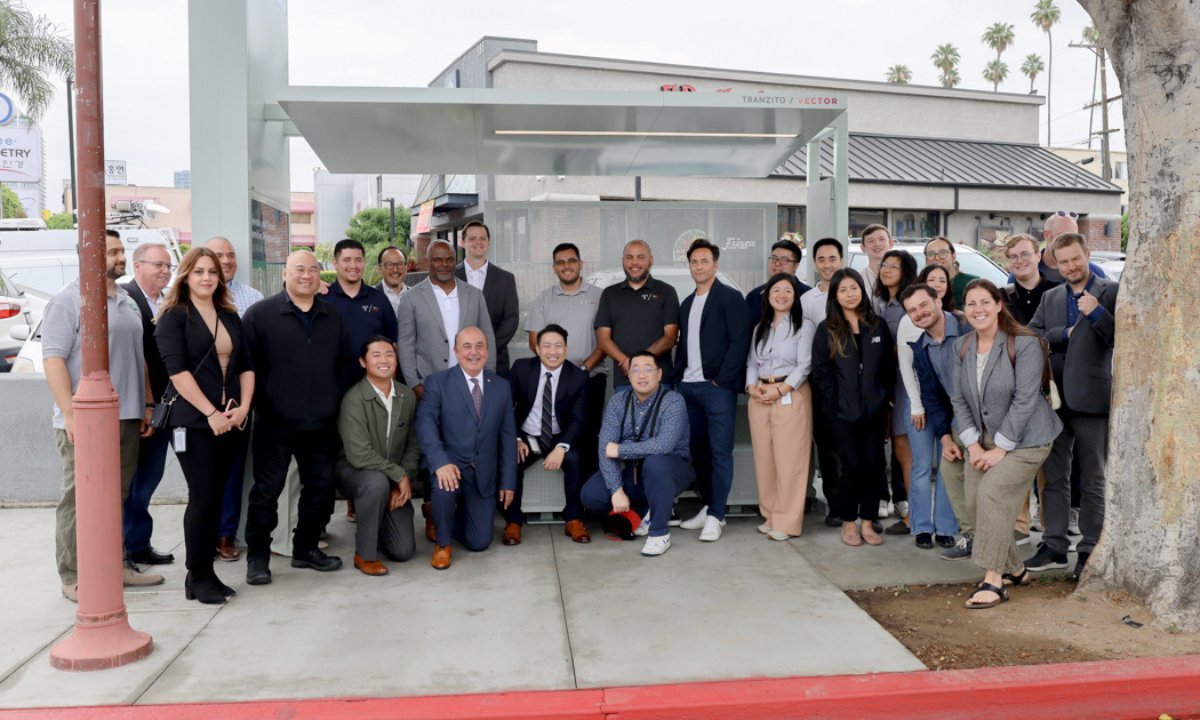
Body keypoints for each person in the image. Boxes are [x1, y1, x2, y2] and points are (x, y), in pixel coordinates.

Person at [42, 229, 163, 602]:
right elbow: (53, 359)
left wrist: (146, 404)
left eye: (121, 251)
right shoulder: (67, 301)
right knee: (78, 498)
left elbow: (139, 357)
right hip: (85, 419)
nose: (120, 258)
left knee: (118, 496)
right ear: (86, 257)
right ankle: (73, 575)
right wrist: (70, 414)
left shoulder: (127, 301)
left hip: (127, 415)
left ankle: (116, 566)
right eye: (111, 252)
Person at [241, 250, 354, 585]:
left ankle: (306, 549)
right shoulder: (260, 315)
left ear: (320, 275)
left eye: (312, 270)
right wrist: (263, 402)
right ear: (285, 274)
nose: (306, 275)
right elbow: (247, 365)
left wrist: (331, 399)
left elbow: (345, 364)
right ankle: (258, 557)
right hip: (274, 422)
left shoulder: (332, 316)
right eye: (299, 269)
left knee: (319, 488)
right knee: (267, 492)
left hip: (320, 423)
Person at [952, 279, 1062, 608]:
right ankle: (1016, 569)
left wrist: (1001, 448)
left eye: (985, 302)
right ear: (964, 310)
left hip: (1028, 439)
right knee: (975, 502)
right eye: (971, 303)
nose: (978, 309)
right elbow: (958, 399)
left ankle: (994, 579)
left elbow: (1025, 400)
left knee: (992, 494)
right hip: (983, 440)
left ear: (999, 305)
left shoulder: (1025, 344)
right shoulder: (962, 347)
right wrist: (974, 446)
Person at [154, 247, 254, 604]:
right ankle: (198, 574)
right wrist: (211, 413)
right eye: (198, 271)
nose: (207, 277)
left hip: (231, 419)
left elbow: (246, 366)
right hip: (194, 422)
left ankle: (203, 576)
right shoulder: (173, 318)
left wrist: (243, 408)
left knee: (216, 498)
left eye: (212, 271)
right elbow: (178, 373)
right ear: (185, 276)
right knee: (204, 496)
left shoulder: (229, 314)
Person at [1027, 232, 1118, 581]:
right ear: (1056, 263)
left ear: (1088, 254)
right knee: (1053, 476)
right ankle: (1054, 544)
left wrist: (1097, 314)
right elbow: (1033, 335)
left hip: (1093, 399)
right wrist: (1061, 335)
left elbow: (1123, 338)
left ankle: (1090, 549)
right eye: (1063, 261)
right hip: (1054, 400)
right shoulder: (1050, 296)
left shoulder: (1110, 292)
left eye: (1076, 259)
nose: (1070, 266)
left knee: (1093, 478)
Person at [415, 327, 517, 570]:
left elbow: (507, 436)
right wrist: (440, 462)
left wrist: (508, 481)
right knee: (444, 489)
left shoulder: (501, 386)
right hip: (450, 465)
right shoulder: (438, 382)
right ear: (456, 351)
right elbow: (425, 424)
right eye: (467, 346)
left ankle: (442, 517)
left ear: (487, 351)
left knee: (479, 542)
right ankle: (443, 544)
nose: (474, 352)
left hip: (483, 472)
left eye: (479, 346)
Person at [670, 238, 749, 542]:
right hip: (688, 389)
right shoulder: (687, 303)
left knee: (719, 452)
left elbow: (739, 341)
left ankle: (717, 515)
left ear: (715, 265)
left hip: (716, 389)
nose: (699, 266)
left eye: (705, 261)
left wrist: (721, 380)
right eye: (694, 262)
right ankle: (708, 507)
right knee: (697, 451)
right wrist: (678, 379)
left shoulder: (730, 298)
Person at [811, 269, 895, 547]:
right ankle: (848, 522)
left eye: (854, 288)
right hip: (841, 414)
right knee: (851, 467)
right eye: (843, 289)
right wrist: (835, 402)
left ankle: (868, 522)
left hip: (874, 412)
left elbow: (887, 367)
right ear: (835, 295)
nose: (850, 294)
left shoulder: (877, 325)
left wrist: (883, 398)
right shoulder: (827, 329)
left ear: (862, 290)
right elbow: (821, 372)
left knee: (873, 465)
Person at [580, 352, 693, 557]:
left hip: (670, 469)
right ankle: (645, 510)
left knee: (656, 463)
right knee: (591, 495)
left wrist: (621, 449)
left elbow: (664, 445)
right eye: (636, 370)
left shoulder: (674, 401)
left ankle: (659, 533)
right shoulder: (618, 402)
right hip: (631, 470)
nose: (642, 375)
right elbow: (606, 448)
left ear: (659, 374)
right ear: (629, 375)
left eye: (648, 369)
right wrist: (616, 490)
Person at [335, 337, 420, 576]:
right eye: (376, 355)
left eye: (389, 354)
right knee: (375, 482)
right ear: (363, 362)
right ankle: (365, 555)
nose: (384, 360)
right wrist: (398, 475)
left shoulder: (407, 396)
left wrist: (403, 477)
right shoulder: (354, 399)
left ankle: (376, 519)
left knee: (403, 551)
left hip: (391, 476)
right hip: (354, 473)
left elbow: (414, 445)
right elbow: (359, 455)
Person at [525, 242, 607, 479]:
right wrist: (560, 371)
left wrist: (583, 369)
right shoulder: (543, 299)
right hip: (555, 382)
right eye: (560, 262)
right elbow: (534, 341)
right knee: (562, 436)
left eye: (571, 261)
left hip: (591, 377)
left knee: (588, 438)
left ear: (580, 264)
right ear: (554, 268)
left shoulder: (599, 296)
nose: (566, 266)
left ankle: (590, 495)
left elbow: (605, 340)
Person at [205, 236, 263, 562]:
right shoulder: (189, 302)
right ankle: (203, 536)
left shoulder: (252, 298)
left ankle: (225, 534)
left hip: (238, 402)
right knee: (202, 474)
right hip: (199, 401)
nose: (226, 261)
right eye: (218, 255)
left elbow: (254, 356)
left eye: (230, 255)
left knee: (233, 470)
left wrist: (246, 405)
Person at [120, 242, 176, 566]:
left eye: (168, 266)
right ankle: (126, 548)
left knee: (149, 480)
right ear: (137, 265)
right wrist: (147, 403)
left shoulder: (169, 302)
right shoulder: (125, 300)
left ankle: (139, 543)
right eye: (158, 265)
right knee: (134, 483)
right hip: (140, 407)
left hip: (170, 406)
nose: (165, 271)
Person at [746, 273, 812, 540]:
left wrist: (781, 390)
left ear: (795, 296)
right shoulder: (760, 327)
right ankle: (771, 515)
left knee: (790, 461)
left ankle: (787, 522)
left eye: (788, 291)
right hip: (760, 396)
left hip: (790, 394)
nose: (781, 295)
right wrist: (751, 387)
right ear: (768, 295)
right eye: (776, 290)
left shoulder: (803, 325)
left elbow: (805, 364)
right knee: (765, 460)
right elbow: (752, 363)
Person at [511, 324, 591, 544]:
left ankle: (573, 519)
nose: (552, 351)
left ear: (566, 349)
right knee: (510, 459)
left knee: (576, 459)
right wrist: (515, 438)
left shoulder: (578, 377)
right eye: (547, 346)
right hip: (527, 434)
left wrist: (561, 446)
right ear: (537, 349)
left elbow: (579, 418)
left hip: (558, 435)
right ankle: (513, 521)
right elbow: (506, 407)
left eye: (558, 346)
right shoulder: (521, 368)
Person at [899, 284, 963, 550]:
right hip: (924, 405)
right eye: (912, 310)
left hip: (960, 410)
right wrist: (917, 407)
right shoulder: (919, 343)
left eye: (923, 305)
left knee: (949, 466)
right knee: (922, 466)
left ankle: (946, 528)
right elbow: (923, 385)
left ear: (938, 301)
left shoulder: (965, 329)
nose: (919, 313)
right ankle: (922, 527)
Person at [396, 239, 496, 396]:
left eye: (449, 259)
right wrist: (415, 385)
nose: (444, 264)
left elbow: (487, 337)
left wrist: (489, 376)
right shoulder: (411, 298)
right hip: (429, 384)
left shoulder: (475, 295)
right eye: (438, 260)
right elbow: (405, 344)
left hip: (471, 383)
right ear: (428, 262)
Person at [799, 238, 845, 527]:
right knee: (826, 445)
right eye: (821, 259)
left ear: (841, 260)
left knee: (855, 444)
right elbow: (805, 345)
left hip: (852, 382)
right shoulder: (807, 300)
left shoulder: (854, 291)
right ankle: (835, 505)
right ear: (815, 263)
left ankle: (862, 504)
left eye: (832, 258)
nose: (827, 265)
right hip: (820, 382)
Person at [595, 239, 680, 386]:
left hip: (660, 381)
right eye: (629, 257)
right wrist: (626, 362)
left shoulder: (666, 291)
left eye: (641, 257)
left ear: (650, 260)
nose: (634, 263)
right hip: (624, 381)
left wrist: (636, 363)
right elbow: (603, 340)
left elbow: (670, 337)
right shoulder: (610, 294)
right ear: (623, 261)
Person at [874, 249, 918, 529]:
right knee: (887, 445)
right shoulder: (877, 302)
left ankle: (915, 511)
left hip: (905, 382)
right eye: (884, 264)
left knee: (905, 448)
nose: (887, 269)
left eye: (894, 266)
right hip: (881, 381)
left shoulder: (910, 303)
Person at [456, 221, 519, 377]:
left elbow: (511, 318)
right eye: (472, 238)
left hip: (496, 359)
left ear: (488, 242)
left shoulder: (506, 279)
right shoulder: (451, 277)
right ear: (462, 242)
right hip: (456, 360)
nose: (478, 242)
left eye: (482, 238)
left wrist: (487, 348)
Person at [324, 239, 398, 371]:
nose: (353, 265)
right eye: (347, 260)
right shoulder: (322, 299)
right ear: (335, 263)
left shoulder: (379, 299)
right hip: (331, 378)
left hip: (372, 378)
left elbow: (392, 342)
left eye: (358, 260)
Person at [1015, 211, 1107, 285]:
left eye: (1074, 237)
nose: (1069, 243)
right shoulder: (1024, 270)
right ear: (1047, 235)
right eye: (1062, 236)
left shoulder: (1093, 272)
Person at [745, 239, 812, 329]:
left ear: (796, 266)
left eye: (784, 260)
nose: (777, 263)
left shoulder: (807, 295)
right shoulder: (754, 296)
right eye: (774, 258)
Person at [1002, 233, 1061, 326]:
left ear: (1038, 256)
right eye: (1013, 257)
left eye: (1025, 254)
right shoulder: (1000, 297)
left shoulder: (1060, 292)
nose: (1019, 261)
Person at [923, 237, 977, 310]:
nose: (937, 258)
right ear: (926, 260)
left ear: (953, 256)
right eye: (930, 254)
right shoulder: (920, 287)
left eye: (943, 252)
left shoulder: (972, 283)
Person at [858, 224, 894, 296]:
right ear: (863, 247)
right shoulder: (857, 279)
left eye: (882, 239)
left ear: (891, 244)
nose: (877, 244)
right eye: (871, 241)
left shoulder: (902, 276)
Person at [376, 245, 409, 319]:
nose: (395, 269)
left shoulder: (416, 296)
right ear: (379, 269)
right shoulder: (369, 298)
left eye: (400, 264)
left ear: (406, 267)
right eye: (389, 264)